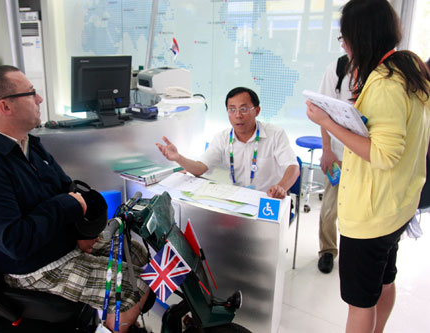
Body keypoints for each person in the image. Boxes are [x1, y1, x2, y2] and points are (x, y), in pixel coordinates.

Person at [0, 65, 149, 332]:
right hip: (32, 268)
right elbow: (15, 241)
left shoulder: (28, 144)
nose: (39, 99)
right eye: (31, 93)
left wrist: (85, 227)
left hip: (62, 245)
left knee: (137, 253)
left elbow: (67, 189)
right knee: (133, 288)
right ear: (5, 107)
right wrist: (68, 206)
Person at [306, 1, 430, 332]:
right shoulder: (409, 68)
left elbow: (384, 155)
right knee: (384, 282)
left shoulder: (385, 83)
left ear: (360, 36)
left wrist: (328, 123)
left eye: (345, 37)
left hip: (372, 215)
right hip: (398, 204)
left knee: (359, 303)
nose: (343, 44)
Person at [156, 87, 300, 199]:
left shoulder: (275, 134)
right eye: (232, 110)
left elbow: (293, 167)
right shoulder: (222, 138)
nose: (238, 115)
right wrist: (178, 158)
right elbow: (200, 168)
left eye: (243, 109)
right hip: (239, 200)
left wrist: (281, 188)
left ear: (257, 110)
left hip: (269, 199)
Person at [316, 55, 352, 274]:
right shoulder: (337, 68)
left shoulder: (381, 70)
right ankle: (327, 250)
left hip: (367, 154)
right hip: (338, 153)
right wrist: (327, 150)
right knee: (330, 208)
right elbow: (323, 112)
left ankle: (353, 252)